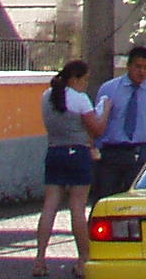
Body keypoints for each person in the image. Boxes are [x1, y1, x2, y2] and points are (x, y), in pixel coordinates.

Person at [34, 60, 104, 275]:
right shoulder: (80, 99)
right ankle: (83, 259)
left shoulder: (47, 96)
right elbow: (97, 129)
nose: (86, 84)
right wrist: (106, 110)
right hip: (78, 154)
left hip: (54, 151)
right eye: (85, 80)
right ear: (75, 79)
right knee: (77, 208)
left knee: (49, 206)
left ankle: (39, 260)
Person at [92, 45, 146, 202]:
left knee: (137, 201)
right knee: (106, 200)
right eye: (138, 67)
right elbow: (99, 120)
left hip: (142, 152)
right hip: (112, 152)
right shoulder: (109, 89)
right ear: (129, 66)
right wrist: (99, 149)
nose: (142, 72)